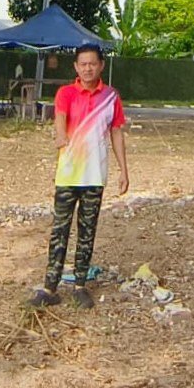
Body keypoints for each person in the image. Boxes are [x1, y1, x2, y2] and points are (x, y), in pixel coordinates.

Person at [32, 39, 128, 307]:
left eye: (92, 64)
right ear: (76, 66)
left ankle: (80, 284)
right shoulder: (65, 93)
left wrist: (124, 170)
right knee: (59, 230)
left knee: (87, 231)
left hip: (95, 175)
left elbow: (117, 133)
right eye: (83, 64)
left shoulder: (111, 97)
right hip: (68, 174)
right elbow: (60, 119)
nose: (87, 69)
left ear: (101, 66)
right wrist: (61, 136)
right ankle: (50, 288)